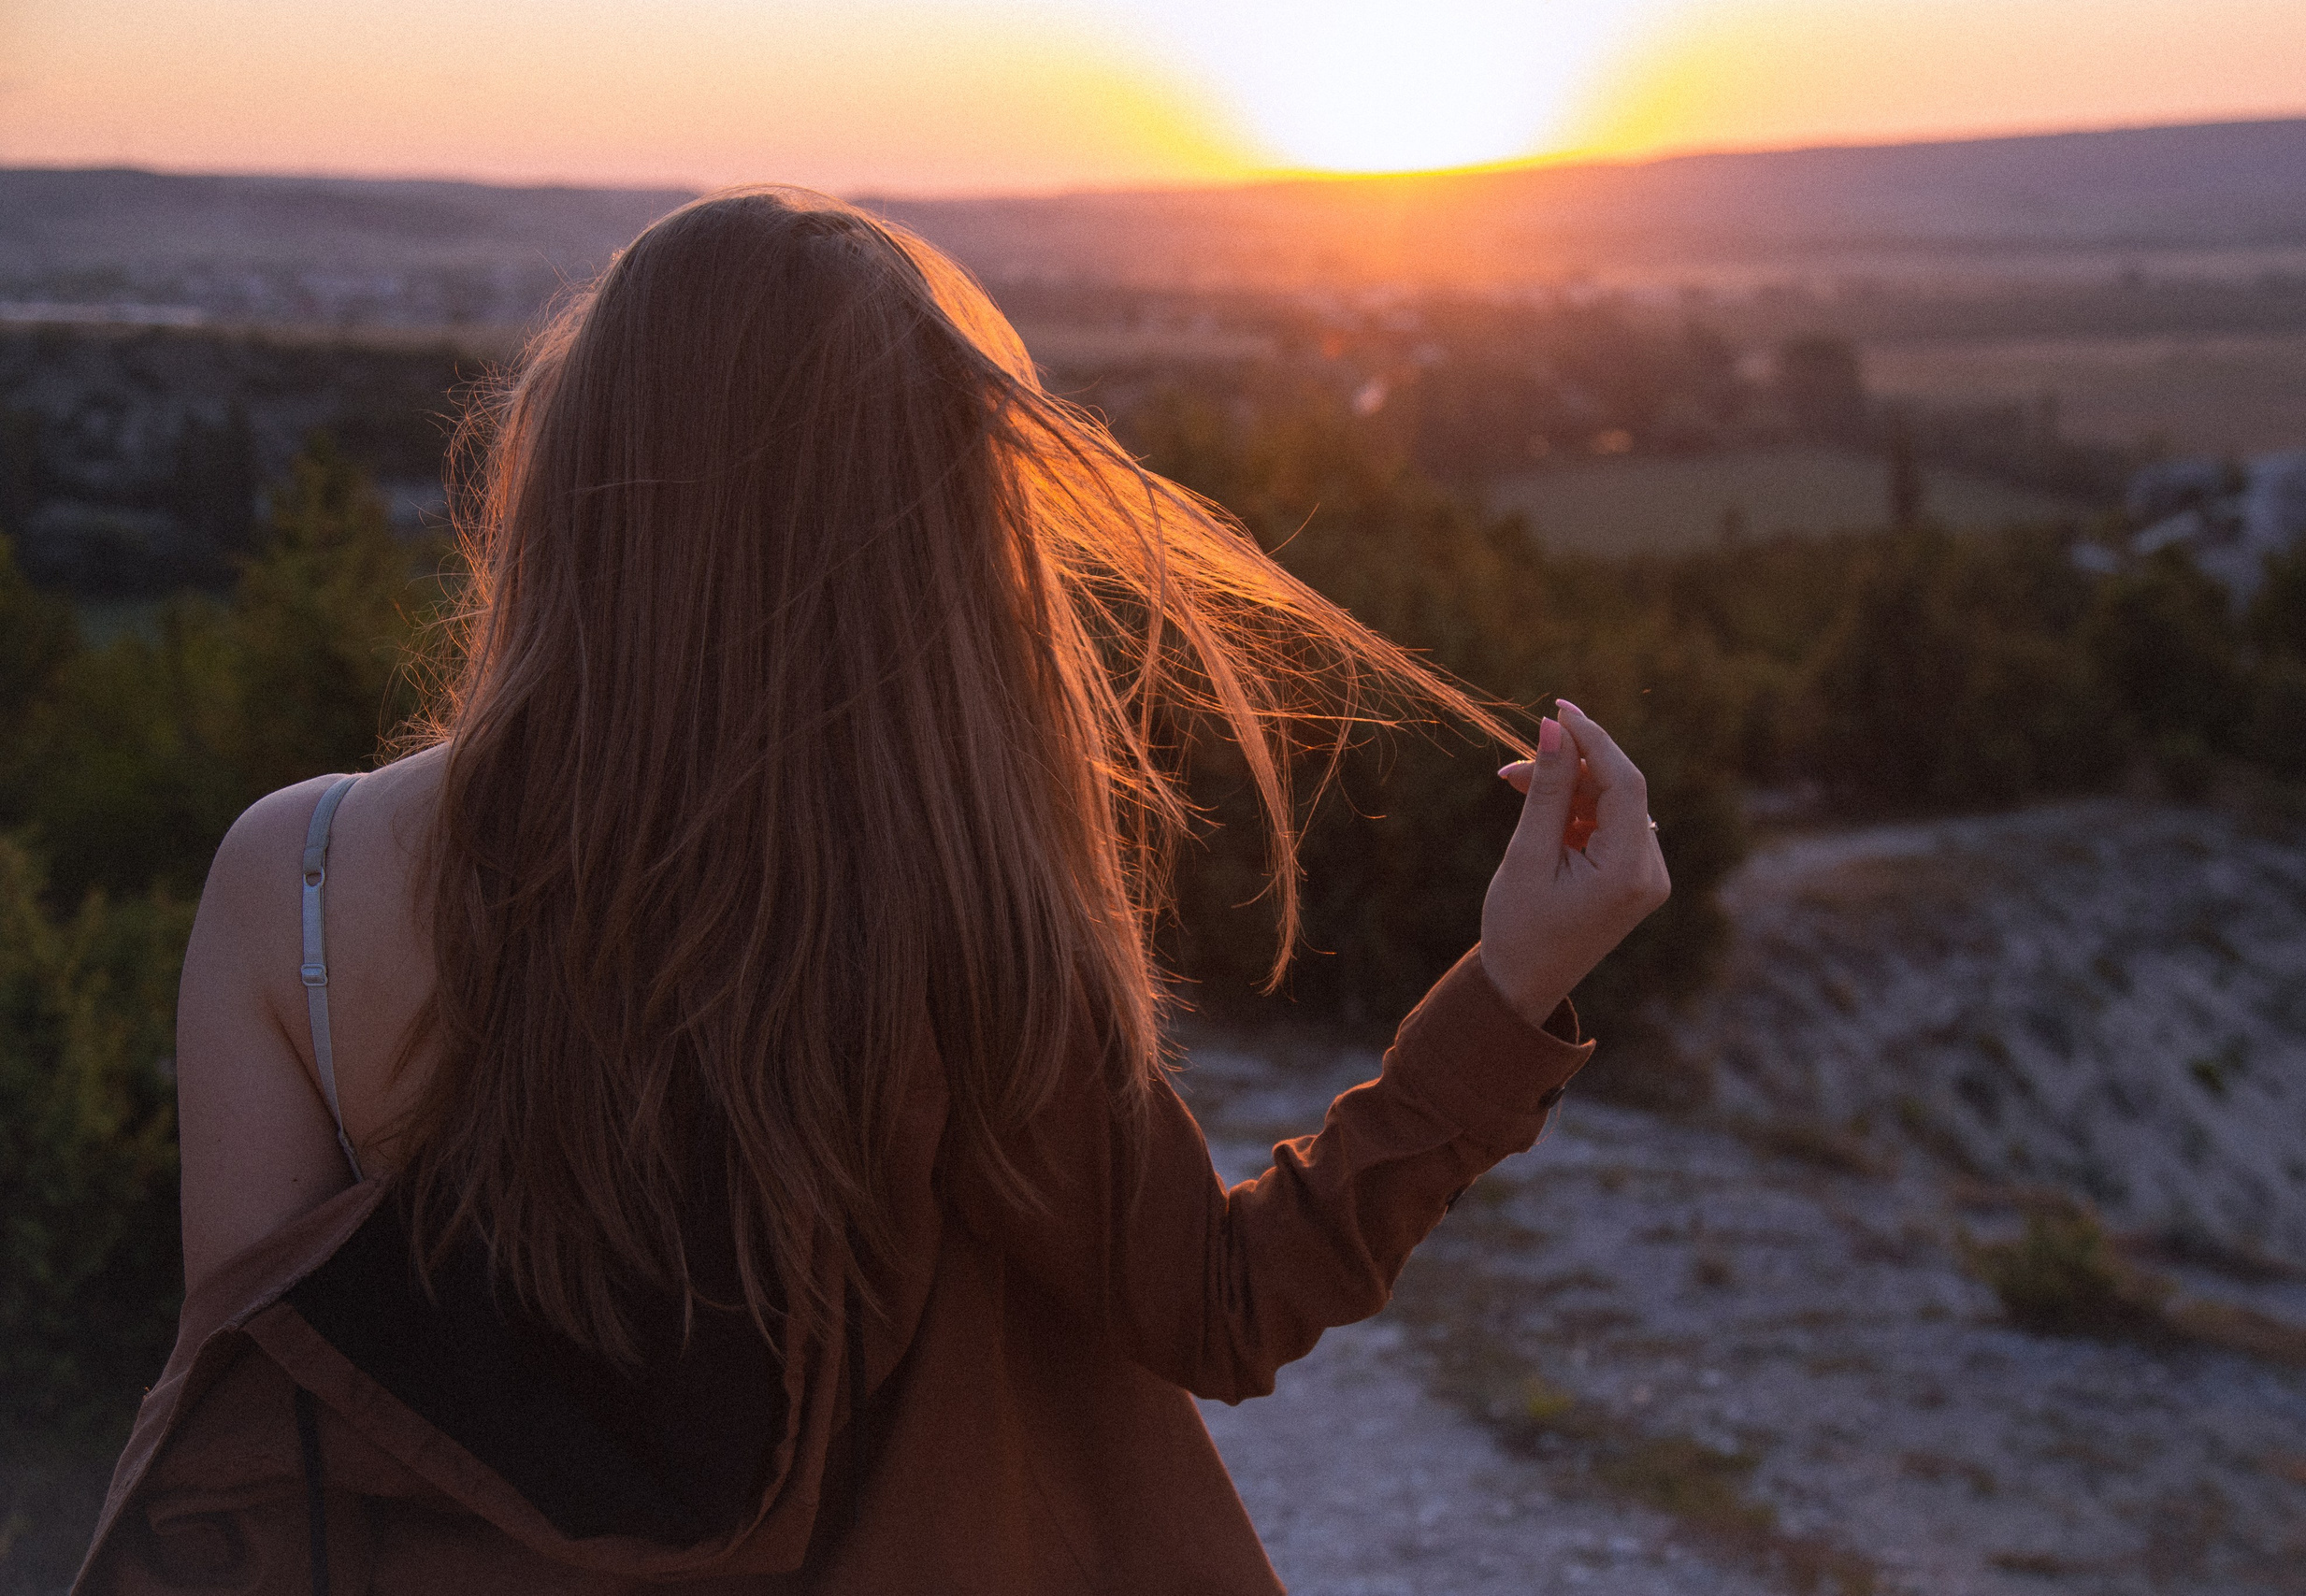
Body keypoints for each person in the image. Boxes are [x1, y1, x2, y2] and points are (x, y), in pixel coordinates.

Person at [75, 189, 1668, 1595]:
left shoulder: (289, 883)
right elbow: (1224, 1305)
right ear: (930, 535)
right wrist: (1511, 988)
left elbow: (266, 1434)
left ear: (575, 465)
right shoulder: (939, 915)